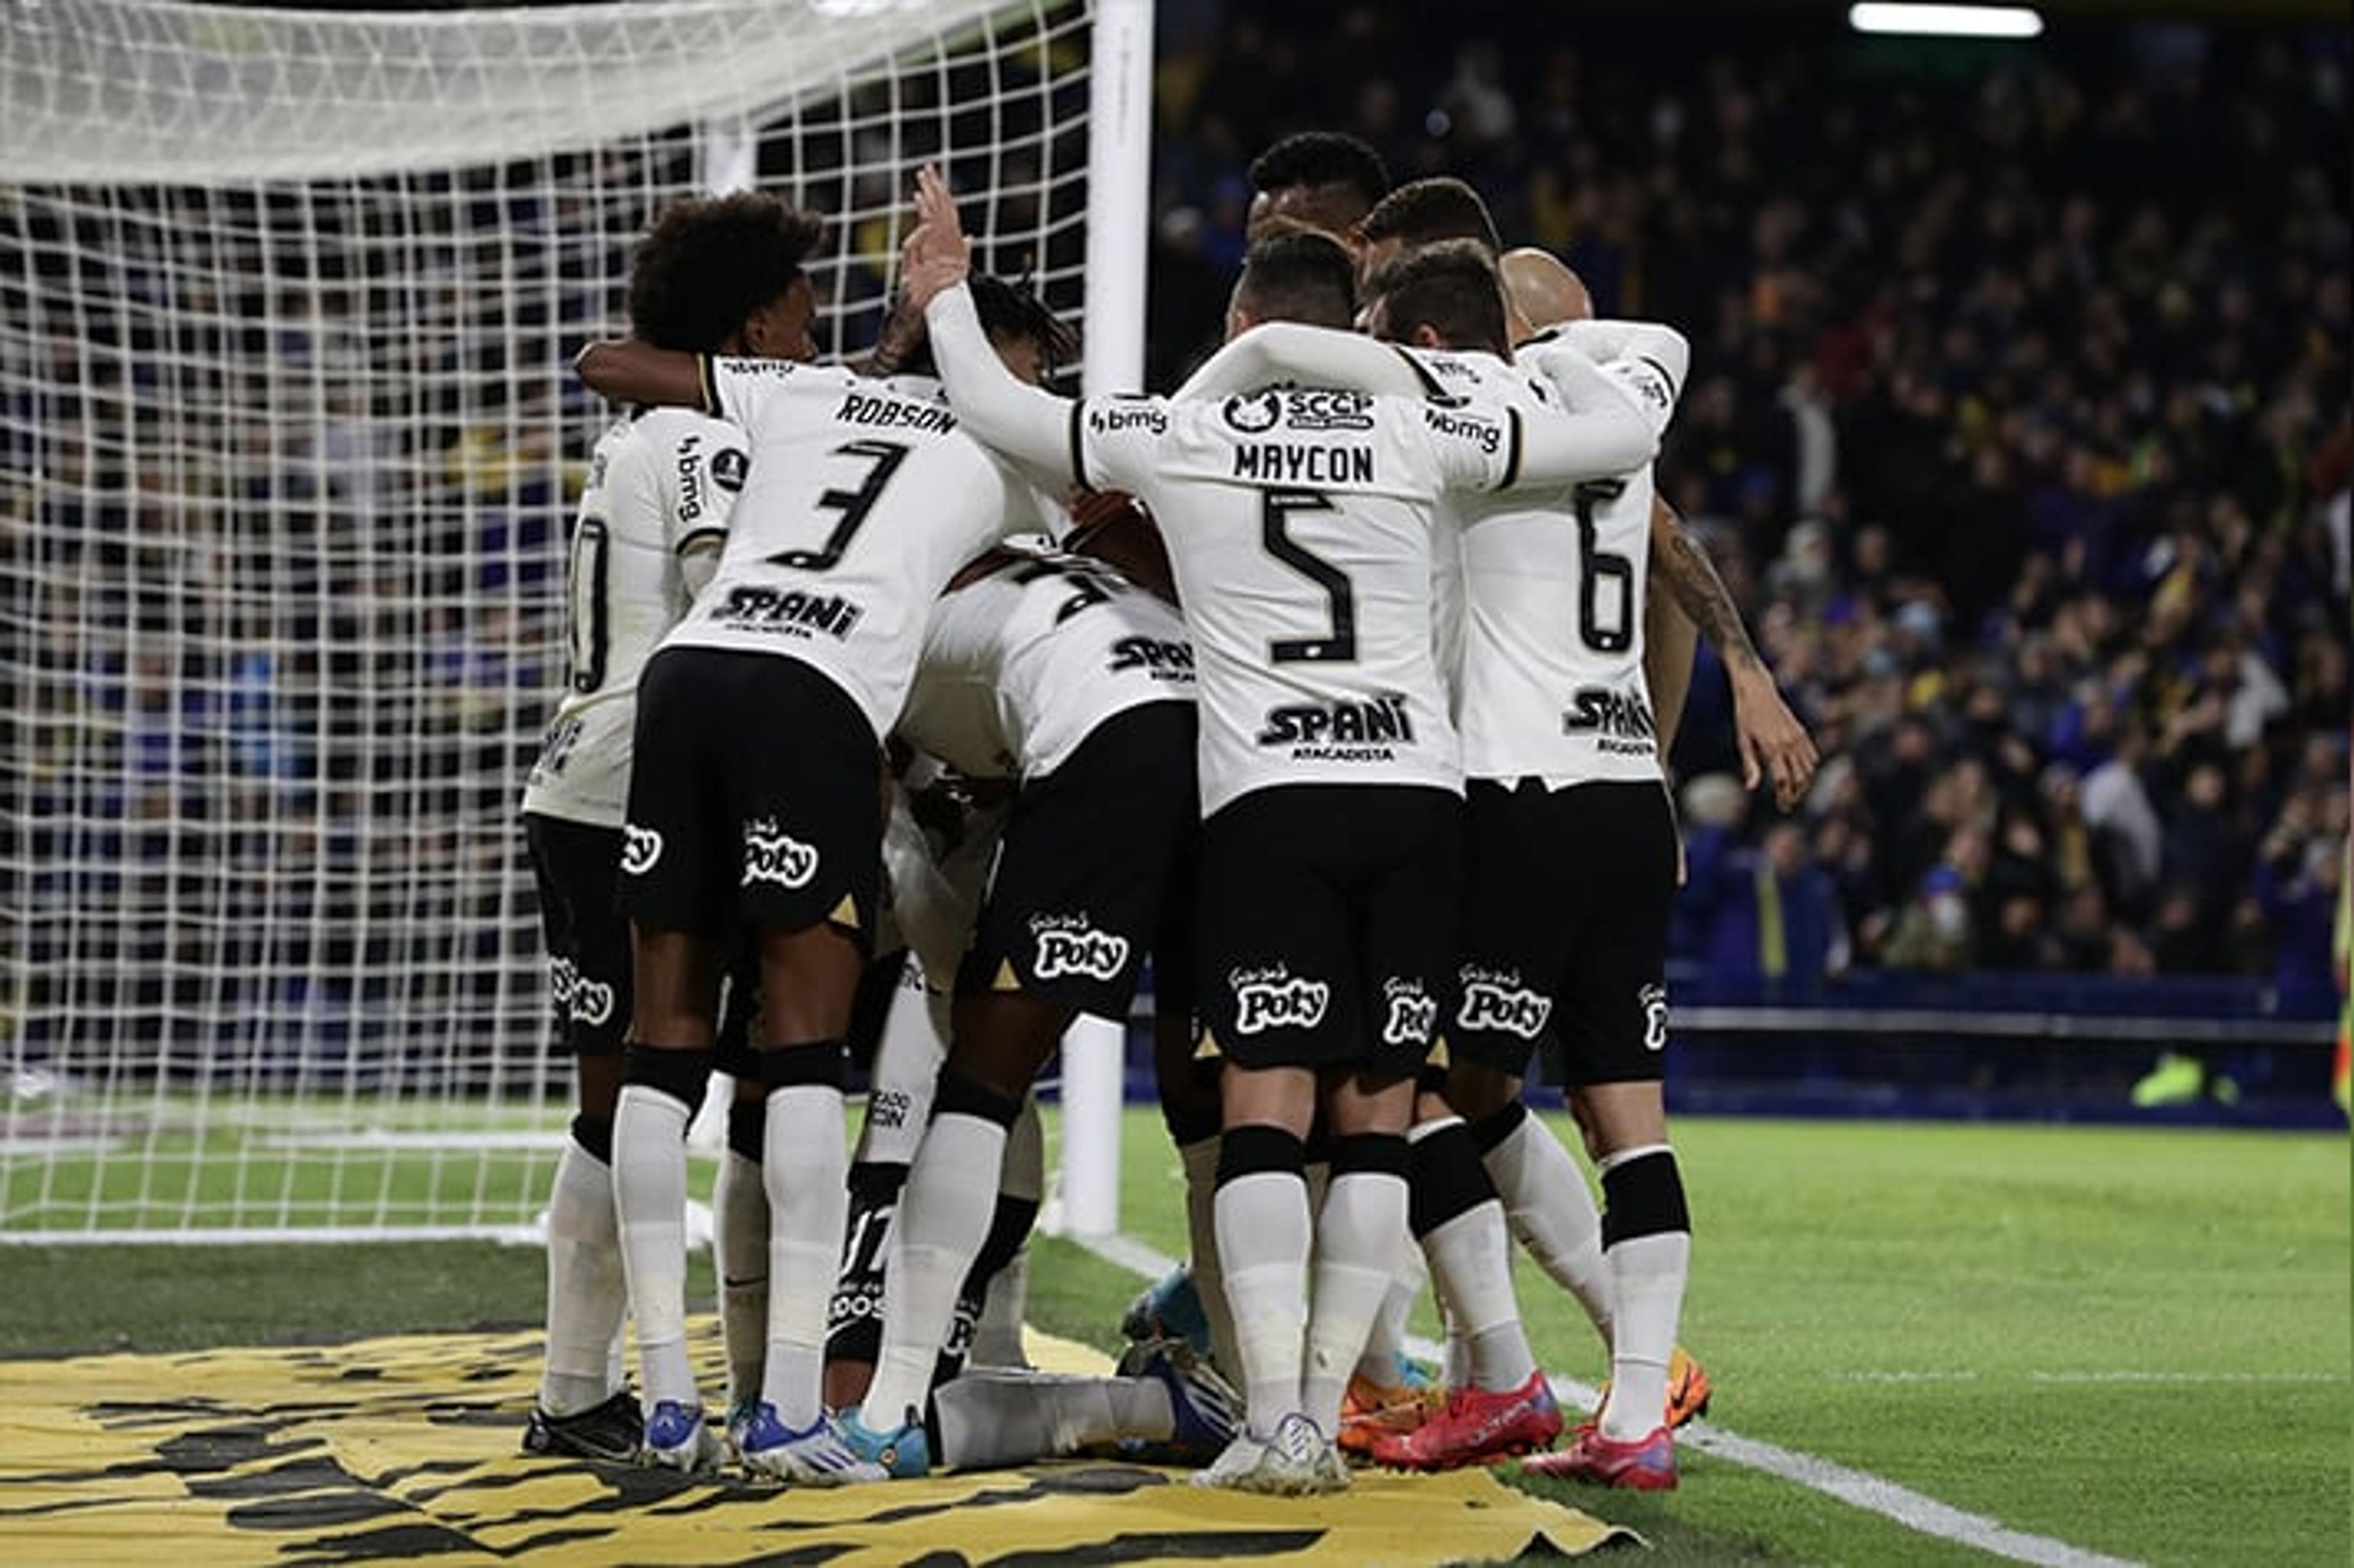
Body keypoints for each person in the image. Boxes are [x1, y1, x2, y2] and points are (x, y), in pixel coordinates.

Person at [899, 162, 1659, 1494]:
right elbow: (1620, 437)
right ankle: (1323, 1398)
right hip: (1422, 802)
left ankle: (1284, 1425)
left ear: (1244, 321)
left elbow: (997, 411)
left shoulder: (1185, 431)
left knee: (1266, 1112)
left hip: (1270, 801)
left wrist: (948, 294)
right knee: (1377, 1118)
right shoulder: (1430, 431)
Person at [569, 254, 1061, 1480]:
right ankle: (787, 1407)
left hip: (690, 677)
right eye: (1026, 370)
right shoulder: (1006, 451)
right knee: (798, 1048)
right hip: (814, 698)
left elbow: (615, 365)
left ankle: (670, 1402)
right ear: (986, 363)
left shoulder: (802, 394)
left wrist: (793, 374)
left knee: (664, 1045)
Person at [516, 190, 813, 1466]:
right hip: (658, 789)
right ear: (753, 324)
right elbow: (726, 614)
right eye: (802, 314)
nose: (817, 336)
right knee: (712, 1078)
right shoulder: (706, 440)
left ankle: (579, 1390)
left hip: (576, 788)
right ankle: (705, 1387)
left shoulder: (643, 431)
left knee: (621, 1095)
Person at [842, 528, 1202, 1477]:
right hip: (1242, 743)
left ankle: (887, 1409)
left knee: (982, 1076)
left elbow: (906, 852)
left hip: (1108, 737)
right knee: (1230, 1098)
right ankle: (1268, 1394)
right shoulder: (1072, 567)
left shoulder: (882, 628)